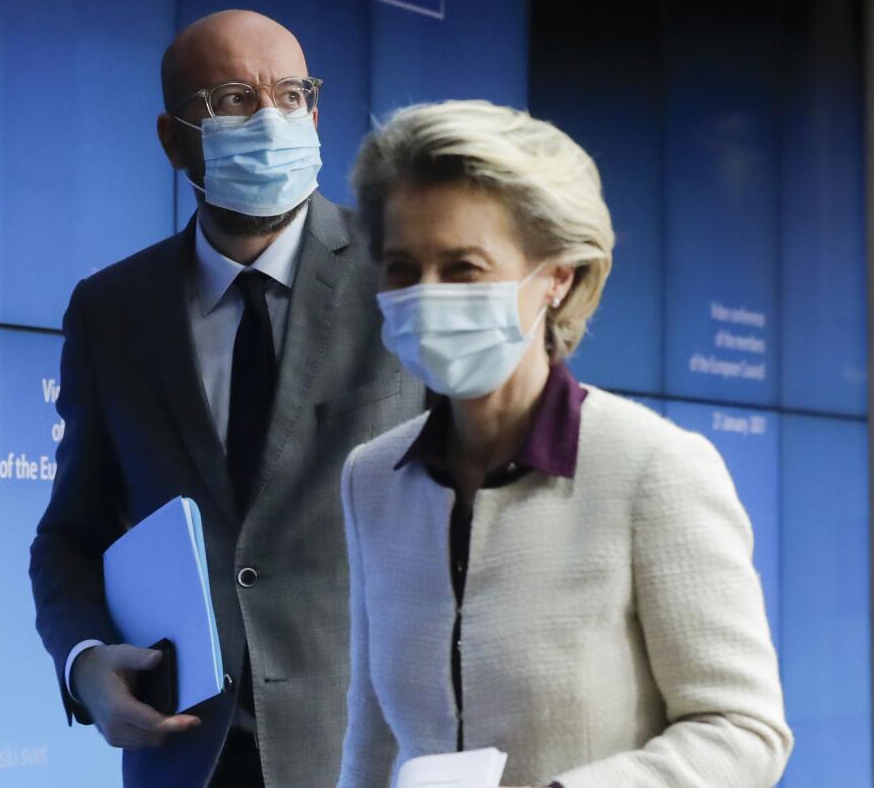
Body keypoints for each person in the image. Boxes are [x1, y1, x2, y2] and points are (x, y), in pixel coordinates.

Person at [336, 100, 794, 788]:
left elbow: (744, 732)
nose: (425, 295)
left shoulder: (654, 469)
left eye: (462, 267)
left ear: (559, 277)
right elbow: (372, 738)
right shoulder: (371, 479)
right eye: (403, 267)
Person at [28, 10, 424, 788]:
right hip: (183, 752)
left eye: (293, 94)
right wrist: (83, 663)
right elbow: (69, 534)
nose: (273, 119)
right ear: (174, 140)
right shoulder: (113, 311)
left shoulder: (404, 279)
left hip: (366, 753)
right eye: (235, 98)